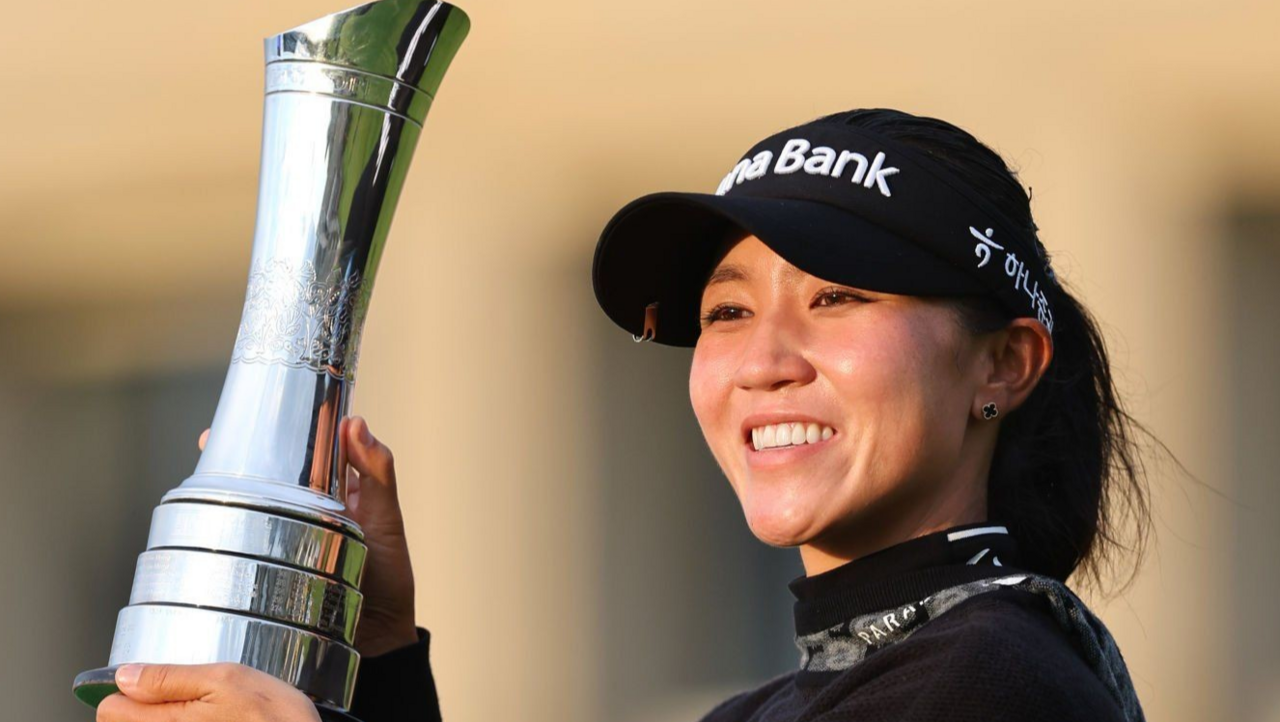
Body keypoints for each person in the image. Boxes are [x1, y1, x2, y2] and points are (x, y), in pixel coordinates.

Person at [94, 108, 1151, 722]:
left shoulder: (985, 681)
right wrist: (374, 651)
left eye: (836, 296)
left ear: (1003, 364)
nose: (764, 362)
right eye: (726, 311)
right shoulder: (793, 699)